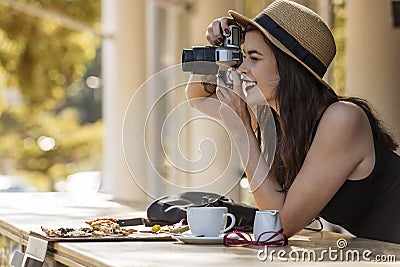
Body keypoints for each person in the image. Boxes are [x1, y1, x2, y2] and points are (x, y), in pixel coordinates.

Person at [185, 0, 400, 244]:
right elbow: (197, 98)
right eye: (243, 57)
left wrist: (242, 130)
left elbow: (278, 227)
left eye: (254, 58)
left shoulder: (343, 119)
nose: (241, 68)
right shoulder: (275, 119)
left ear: (290, 69)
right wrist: (214, 49)